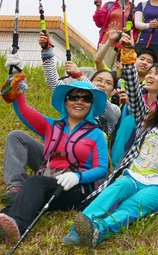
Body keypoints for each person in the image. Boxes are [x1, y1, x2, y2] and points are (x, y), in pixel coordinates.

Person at [69, 35, 158, 247]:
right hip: (132, 175)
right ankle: (81, 226)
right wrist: (128, 55)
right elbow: (134, 92)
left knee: (133, 207)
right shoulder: (146, 120)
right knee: (113, 191)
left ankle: (99, 229)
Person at [0, 78, 108, 245]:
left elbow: (102, 169)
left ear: (91, 105)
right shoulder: (51, 126)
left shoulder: (97, 134)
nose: (79, 102)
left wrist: (78, 177)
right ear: (65, 102)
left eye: (86, 98)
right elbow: (24, 110)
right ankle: (6, 225)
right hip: (49, 180)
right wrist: (18, 91)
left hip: (75, 189)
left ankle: (18, 226)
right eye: (74, 97)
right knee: (19, 199)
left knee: (35, 183)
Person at [92, 0, 135, 69]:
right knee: (101, 70)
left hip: (123, 46)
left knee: (118, 74)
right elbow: (99, 23)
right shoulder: (109, 5)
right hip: (106, 43)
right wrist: (98, 8)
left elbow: (135, 31)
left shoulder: (135, 10)